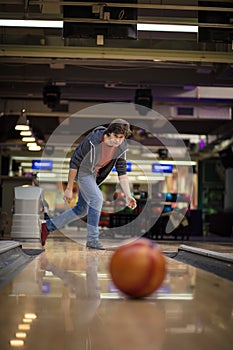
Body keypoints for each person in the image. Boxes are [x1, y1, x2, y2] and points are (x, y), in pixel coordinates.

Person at [41, 118, 137, 249]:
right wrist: (69, 188)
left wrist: (127, 195)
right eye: (115, 136)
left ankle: (47, 226)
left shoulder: (121, 147)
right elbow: (74, 162)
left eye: (121, 137)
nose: (118, 140)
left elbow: (122, 172)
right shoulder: (93, 140)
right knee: (97, 198)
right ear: (109, 133)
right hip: (83, 171)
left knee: (81, 210)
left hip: (94, 177)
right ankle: (92, 239)